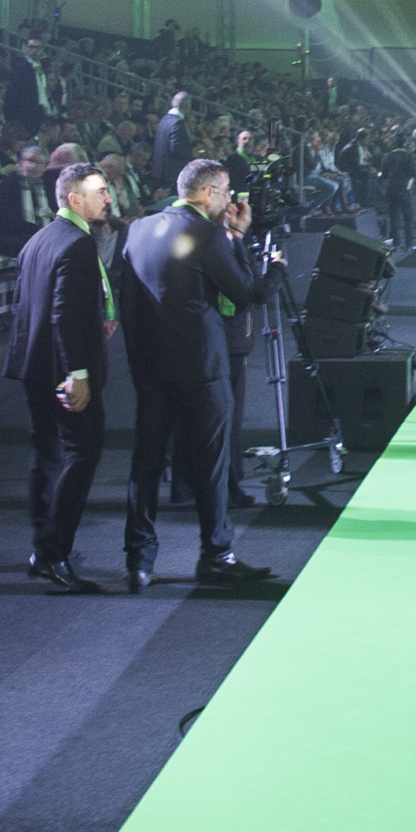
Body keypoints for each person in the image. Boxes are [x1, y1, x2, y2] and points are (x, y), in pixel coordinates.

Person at [119, 157, 282, 590]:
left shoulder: (139, 228)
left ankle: (139, 560)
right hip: (202, 368)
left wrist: (137, 362)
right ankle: (217, 555)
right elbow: (248, 292)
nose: (230, 200)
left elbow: (128, 303)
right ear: (208, 192)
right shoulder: (208, 234)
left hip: (150, 367)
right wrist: (257, 252)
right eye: (226, 192)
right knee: (211, 463)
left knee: (146, 464)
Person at [7, 166, 122, 592]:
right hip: (63, 372)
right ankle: (54, 553)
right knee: (82, 452)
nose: (108, 198)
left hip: (35, 367)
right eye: (100, 192)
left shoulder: (40, 239)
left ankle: (44, 549)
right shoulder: (76, 243)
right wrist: (78, 374)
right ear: (74, 199)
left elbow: (25, 307)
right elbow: (63, 315)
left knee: (48, 457)